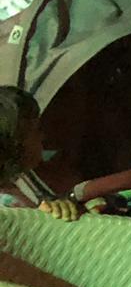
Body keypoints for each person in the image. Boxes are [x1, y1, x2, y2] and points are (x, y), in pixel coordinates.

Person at [0, 86, 83, 221]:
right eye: (36, 130)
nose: (42, 137)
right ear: (15, 143)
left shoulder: (21, 182)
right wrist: (45, 219)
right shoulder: (7, 207)